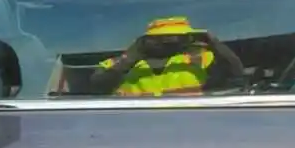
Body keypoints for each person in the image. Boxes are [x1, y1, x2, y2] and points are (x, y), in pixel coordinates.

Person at [88, 16, 244, 97]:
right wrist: (133, 55)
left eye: (177, 37)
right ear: (145, 39)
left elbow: (236, 74)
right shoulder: (114, 65)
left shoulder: (204, 59)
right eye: (160, 38)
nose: (168, 41)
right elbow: (96, 89)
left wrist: (213, 42)